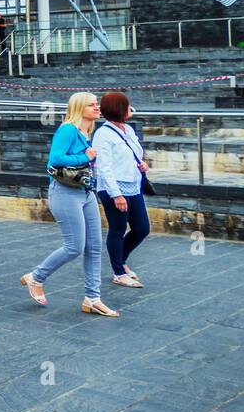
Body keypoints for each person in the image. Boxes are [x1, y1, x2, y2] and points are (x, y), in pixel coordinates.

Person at [20, 92, 119, 317]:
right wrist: (85, 157)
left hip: (85, 192)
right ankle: (36, 278)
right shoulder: (67, 129)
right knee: (74, 246)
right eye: (91, 105)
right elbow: (55, 160)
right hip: (64, 193)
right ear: (78, 108)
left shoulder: (87, 132)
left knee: (94, 247)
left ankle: (92, 298)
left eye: (97, 105)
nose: (97, 108)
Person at [93, 92, 150, 289]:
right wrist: (116, 194)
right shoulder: (103, 134)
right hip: (114, 188)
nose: (130, 109)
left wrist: (142, 164)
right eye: (126, 106)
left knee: (142, 228)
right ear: (119, 109)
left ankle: (121, 261)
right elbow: (104, 167)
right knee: (118, 229)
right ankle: (118, 272)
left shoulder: (127, 129)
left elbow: (134, 153)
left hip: (133, 185)